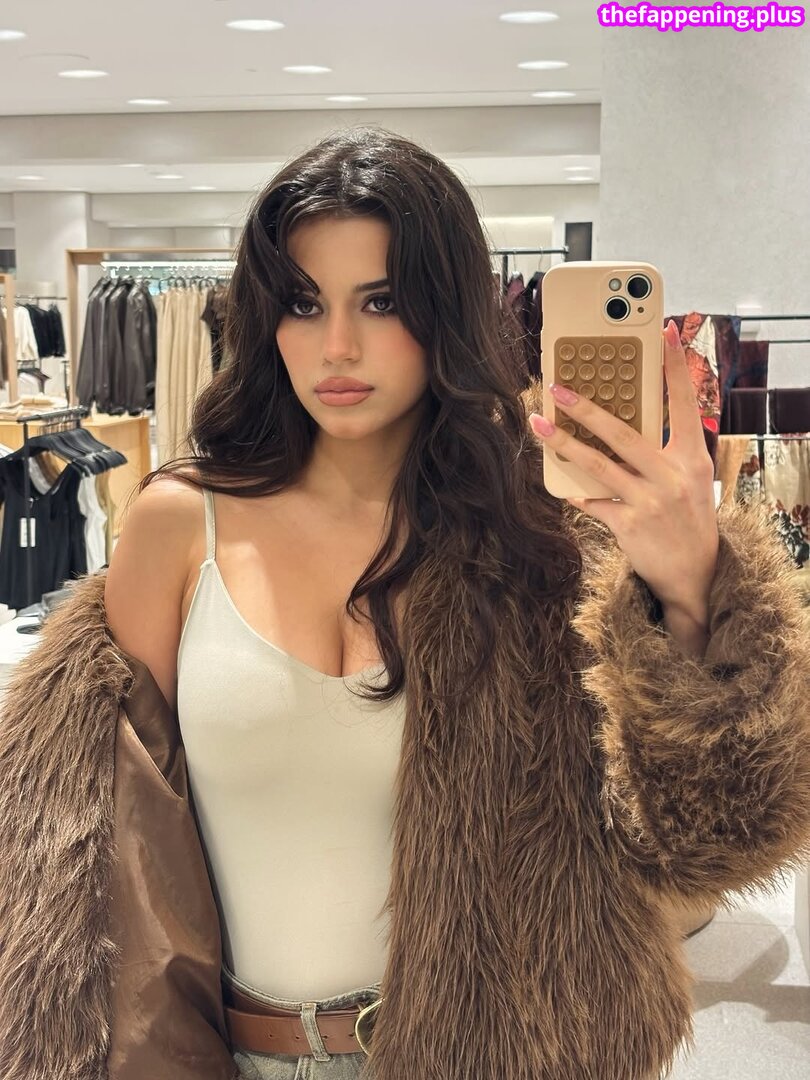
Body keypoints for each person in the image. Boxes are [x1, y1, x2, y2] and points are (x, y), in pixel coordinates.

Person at [1, 127, 809, 1080]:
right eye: (303, 303)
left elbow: (710, 842)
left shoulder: (545, 543)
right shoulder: (180, 525)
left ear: (444, 312)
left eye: (381, 301)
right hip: (225, 1056)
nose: (337, 346)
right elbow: (104, 859)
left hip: (493, 1056)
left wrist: (688, 582)